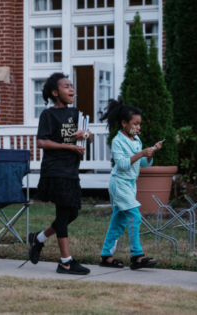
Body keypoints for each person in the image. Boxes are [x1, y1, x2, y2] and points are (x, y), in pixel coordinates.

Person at [28, 73, 93, 275]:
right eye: (66, 86)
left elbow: (87, 139)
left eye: (72, 85)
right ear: (55, 92)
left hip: (71, 170)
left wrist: (87, 135)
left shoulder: (75, 113)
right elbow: (42, 142)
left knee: (72, 212)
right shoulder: (48, 115)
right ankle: (65, 261)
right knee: (63, 213)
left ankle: (38, 239)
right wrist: (68, 147)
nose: (71, 89)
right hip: (55, 170)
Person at [98, 98, 163, 270]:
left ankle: (105, 255)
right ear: (124, 123)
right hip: (119, 184)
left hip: (129, 185)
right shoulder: (117, 141)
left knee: (118, 222)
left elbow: (144, 164)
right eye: (135, 124)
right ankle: (137, 255)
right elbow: (122, 164)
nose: (138, 127)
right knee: (135, 215)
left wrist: (150, 153)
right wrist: (141, 153)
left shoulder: (137, 141)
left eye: (139, 124)